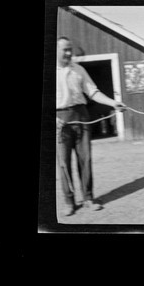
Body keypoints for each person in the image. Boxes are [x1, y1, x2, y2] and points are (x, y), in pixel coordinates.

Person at [56, 36, 126, 216]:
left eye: (70, 49)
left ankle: (88, 198)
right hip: (59, 120)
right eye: (65, 49)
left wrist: (113, 103)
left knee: (85, 159)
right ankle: (69, 201)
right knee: (63, 163)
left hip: (81, 115)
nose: (69, 53)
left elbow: (93, 92)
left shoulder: (78, 70)